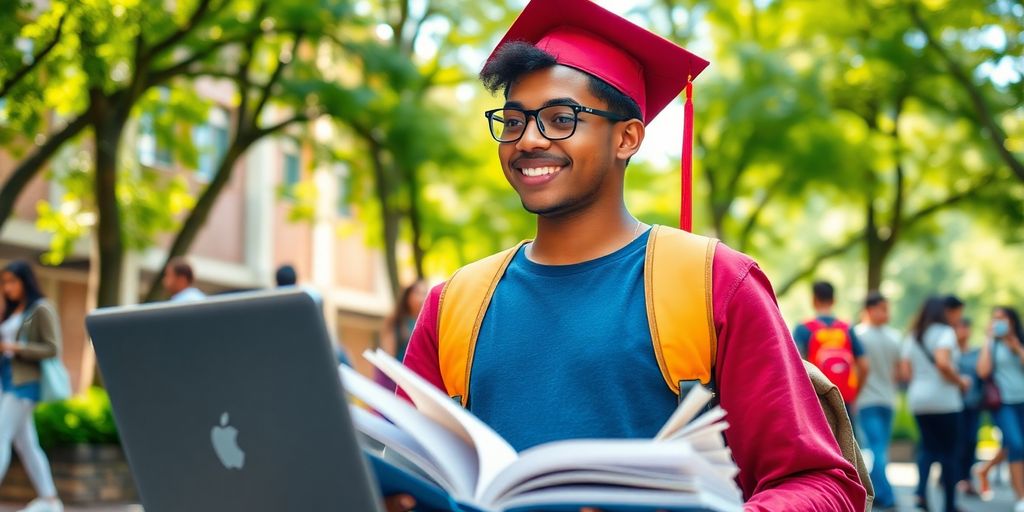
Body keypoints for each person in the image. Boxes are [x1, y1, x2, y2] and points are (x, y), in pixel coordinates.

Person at [386, 0, 867, 510]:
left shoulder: (714, 283)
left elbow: (821, 484)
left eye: (559, 118)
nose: (527, 139)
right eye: (512, 121)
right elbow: (401, 476)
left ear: (627, 137)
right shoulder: (455, 303)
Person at [0, 261, 63, 512]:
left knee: (1, 435)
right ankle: (50, 500)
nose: (7, 288)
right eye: (4, 282)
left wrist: (16, 348)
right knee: (26, 444)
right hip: (7, 380)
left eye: (12, 281)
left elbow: (52, 348)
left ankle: (50, 501)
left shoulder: (41, 309)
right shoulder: (14, 311)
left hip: (26, 383)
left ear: (25, 282)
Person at [900, 296, 969, 512]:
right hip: (944, 400)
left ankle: (921, 494)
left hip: (919, 399)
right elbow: (942, 363)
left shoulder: (913, 335)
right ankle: (949, 504)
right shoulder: (946, 333)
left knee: (928, 449)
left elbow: (905, 371)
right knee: (949, 452)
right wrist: (961, 381)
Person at [793, 281, 870, 424]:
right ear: (834, 300)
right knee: (847, 442)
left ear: (814, 300)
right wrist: (855, 396)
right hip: (844, 396)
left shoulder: (803, 329)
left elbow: (796, 366)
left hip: (818, 398)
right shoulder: (847, 328)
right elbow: (864, 365)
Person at [853, 291, 901, 511]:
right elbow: (899, 373)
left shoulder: (857, 334)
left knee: (876, 449)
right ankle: (884, 494)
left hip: (867, 399)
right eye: (883, 308)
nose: (886, 313)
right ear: (870, 309)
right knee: (879, 448)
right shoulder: (895, 337)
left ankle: (880, 493)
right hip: (886, 399)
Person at [976, 306, 1024, 511]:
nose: (999, 322)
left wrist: (1017, 349)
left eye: (1003, 318)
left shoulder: (1019, 341)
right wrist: (988, 339)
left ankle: (984, 469)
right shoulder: (992, 344)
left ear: (1012, 320)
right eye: (995, 318)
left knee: (1014, 444)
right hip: (1003, 403)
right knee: (1016, 444)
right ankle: (1021, 497)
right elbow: (982, 371)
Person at [376, 280, 428, 391]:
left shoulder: (426, 325)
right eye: (417, 293)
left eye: (425, 293)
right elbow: (387, 355)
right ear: (408, 297)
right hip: (395, 381)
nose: (422, 297)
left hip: (416, 383)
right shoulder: (397, 323)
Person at [955, 316, 985, 497]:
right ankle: (952, 477)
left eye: (966, 328)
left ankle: (966, 478)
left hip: (973, 403)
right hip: (954, 404)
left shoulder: (977, 353)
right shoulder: (949, 351)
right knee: (955, 442)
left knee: (971, 440)